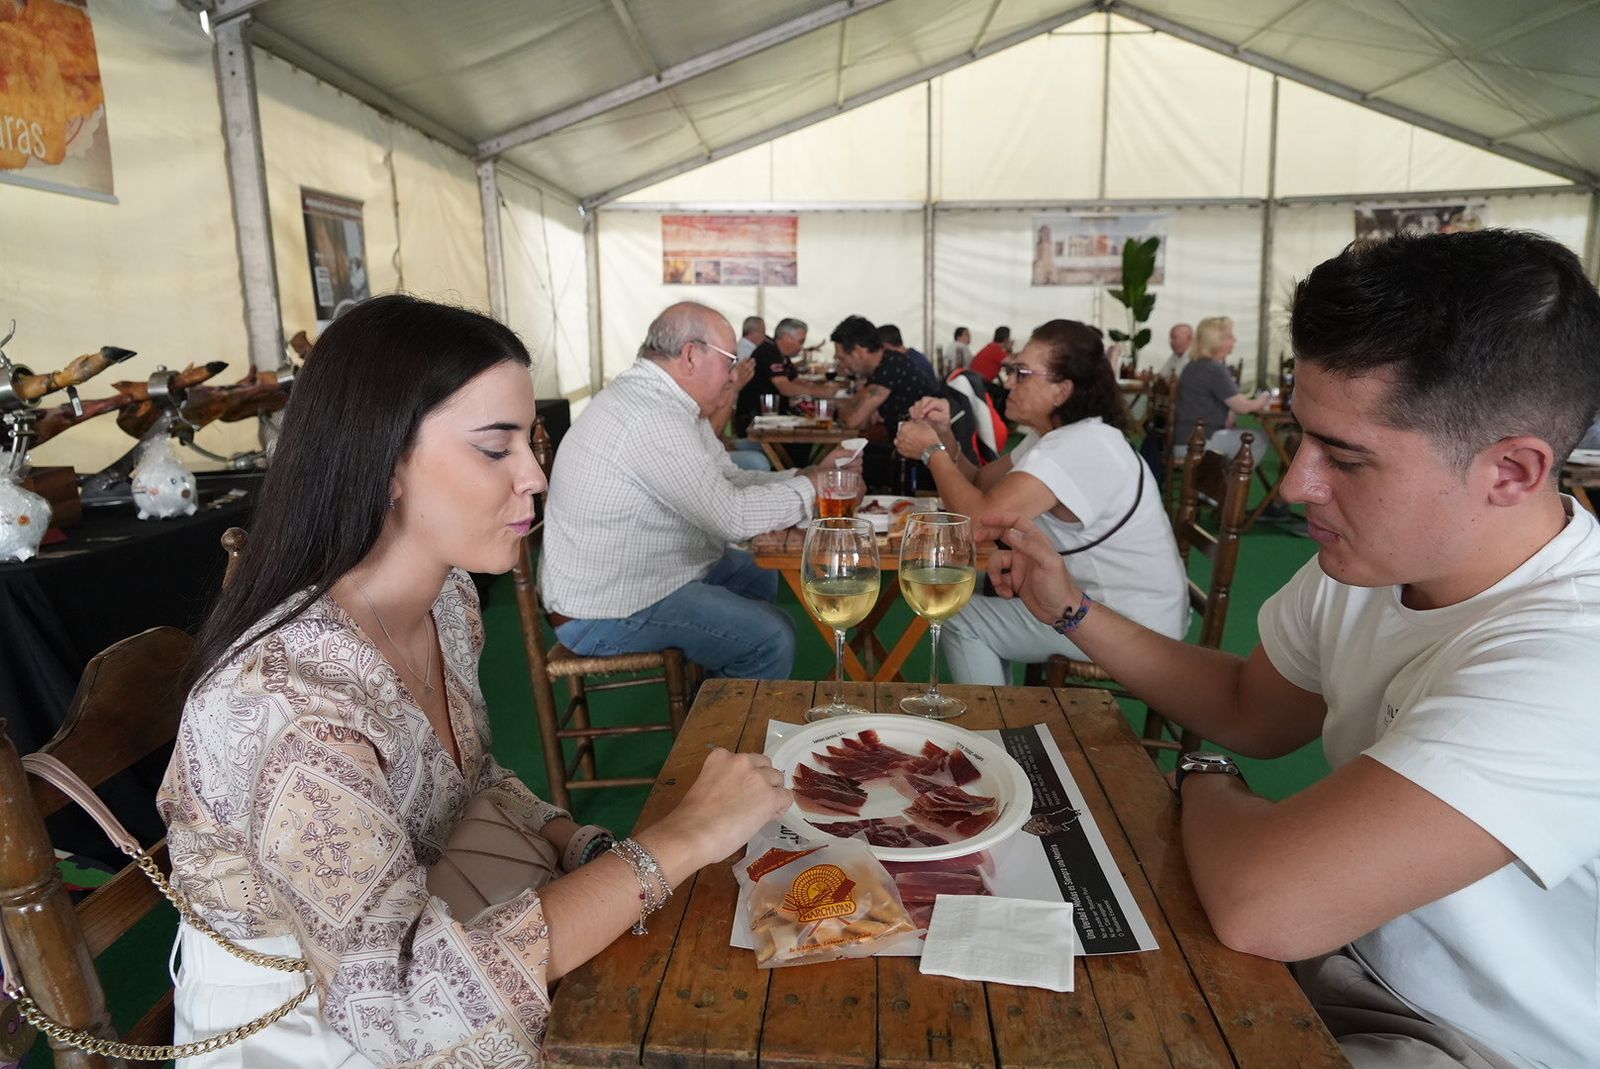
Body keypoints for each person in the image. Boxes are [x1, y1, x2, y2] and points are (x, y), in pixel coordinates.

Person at [979, 229, 1600, 1069]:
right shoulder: (1375, 562)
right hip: (1334, 968)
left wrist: (1203, 781)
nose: (1300, 482)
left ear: (1513, 471)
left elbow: (1266, 900)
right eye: (1301, 434)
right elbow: (1250, 709)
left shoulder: (1573, 651)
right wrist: (1072, 609)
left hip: (1473, 1041)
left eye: (1345, 456)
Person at [157, 294, 792, 1067]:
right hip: (308, 1027)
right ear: (382, 461)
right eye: (497, 448)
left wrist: (589, 844)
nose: (535, 476)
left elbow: (475, 780)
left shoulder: (448, 601)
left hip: (433, 921)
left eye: (533, 441)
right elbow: (401, 1007)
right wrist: (675, 842)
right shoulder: (289, 703)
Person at [542, 302, 860, 679]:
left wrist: (809, 474)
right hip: (603, 608)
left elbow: (728, 478)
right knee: (772, 636)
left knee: (758, 572)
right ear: (691, 355)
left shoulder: (666, 404)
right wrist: (813, 487)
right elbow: (733, 518)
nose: (733, 375)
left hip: (639, 577)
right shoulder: (651, 416)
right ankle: (724, 729)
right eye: (731, 360)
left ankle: (720, 683)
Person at [893, 319, 1188, 684]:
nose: (1008, 382)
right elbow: (981, 484)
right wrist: (946, 438)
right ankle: (1005, 716)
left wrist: (931, 452)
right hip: (1118, 603)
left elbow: (977, 524)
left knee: (958, 614)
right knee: (960, 587)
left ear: (1062, 390)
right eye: (1010, 370)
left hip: (1131, 622)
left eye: (1021, 373)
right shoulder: (1064, 436)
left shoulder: (1079, 448)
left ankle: (996, 730)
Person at [832, 314, 937, 491]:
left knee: (842, 461)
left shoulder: (890, 367)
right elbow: (860, 415)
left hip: (922, 463)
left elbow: (853, 420)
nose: (841, 366)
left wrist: (840, 409)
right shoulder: (886, 363)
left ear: (858, 351)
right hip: (911, 453)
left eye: (842, 358)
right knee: (847, 454)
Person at [1174, 315, 1273, 463]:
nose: (1235, 340)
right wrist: (1266, 397)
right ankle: (1231, 484)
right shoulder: (1214, 369)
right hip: (1200, 441)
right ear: (1217, 340)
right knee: (1258, 439)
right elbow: (1243, 407)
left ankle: (1220, 481)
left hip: (1184, 438)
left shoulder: (1193, 365)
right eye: (1230, 337)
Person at [734, 316, 814, 434]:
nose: (801, 347)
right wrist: (824, 392)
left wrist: (818, 390)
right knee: (800, 439)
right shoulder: (768, 351)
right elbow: (785, 388)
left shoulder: (780, 353)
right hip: (756, 422)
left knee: (805, 433)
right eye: (801, 341)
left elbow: (795, 380)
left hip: (770, 419)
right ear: (787, 338)